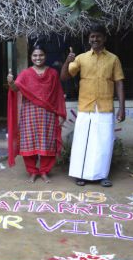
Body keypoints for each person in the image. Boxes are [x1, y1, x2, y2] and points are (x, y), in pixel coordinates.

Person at [61, 24, 125, 187]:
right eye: (92, 36)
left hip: (105, 106)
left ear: (104, 38)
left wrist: (122, 107)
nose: (95, 39)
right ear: (88, 39)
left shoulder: (113, 59)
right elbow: (64, 77)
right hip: (86, 105)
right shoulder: (81, 58)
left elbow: (119, 83)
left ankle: (102, 175)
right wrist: (67, 61)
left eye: (98, 36)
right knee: (83, 141)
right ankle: (80, 174)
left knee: (103, 142)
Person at [7, 45, 67, 183]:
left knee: (47, 143)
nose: (38, 58)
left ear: (45, 56)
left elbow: (58, 94)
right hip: (29, 112)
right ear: (30, 57)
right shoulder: (25, 73)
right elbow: (15, 89)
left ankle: (44, 171)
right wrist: (10, 82)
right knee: (29, 142)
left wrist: (60, 114)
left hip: (48, 113)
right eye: (35, 55)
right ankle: (32, 172)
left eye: (40, 55)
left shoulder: (53, 73)